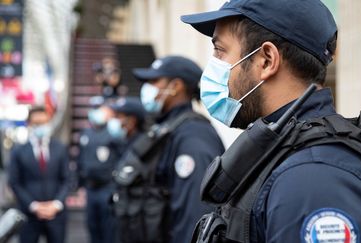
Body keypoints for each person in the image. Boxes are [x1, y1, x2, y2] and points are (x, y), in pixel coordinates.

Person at [181, 0, 361, 242]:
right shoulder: (282, 149)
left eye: (220, 51)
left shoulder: (315, 178)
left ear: (266, 60)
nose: (214, 64)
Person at [129, 55, 225, 243]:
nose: (148, 88)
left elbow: (194, 217)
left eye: (154, 81)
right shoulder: (168, 128)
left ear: (176, 86)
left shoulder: (193, 135)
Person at [8, 106, 69, 243]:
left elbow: (67, 179)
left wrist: (56, 204)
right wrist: (33, 205)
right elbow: (14, 182)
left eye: (44, 122)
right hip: (29, 214)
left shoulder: (60, 148)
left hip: (56, 214)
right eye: (37, 123)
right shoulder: (19, 151)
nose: (41, 126)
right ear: (29, 124)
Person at [77, 97, 122, 243]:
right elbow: (80, 160)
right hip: (91, 189)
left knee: (108, 229)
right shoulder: (86, 133)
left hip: (108, 187)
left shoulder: (113, 133)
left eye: (100, 108)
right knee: (92, 227)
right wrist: (79, 184)